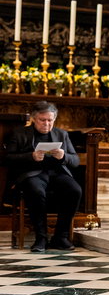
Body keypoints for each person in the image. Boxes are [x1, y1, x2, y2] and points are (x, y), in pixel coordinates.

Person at [3, 102, 81, 252]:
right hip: (32, 173)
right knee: (35, 190)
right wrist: (30, 156)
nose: (46, 123)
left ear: (54, 119)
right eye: (42, 120)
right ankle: (41, 238)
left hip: (57, 173)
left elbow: (75, 160)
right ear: (34, 119)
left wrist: (64, 156)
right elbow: (7, 158)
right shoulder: (19, 133)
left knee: (75, 190)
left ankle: (60, 237)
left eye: (50, 120)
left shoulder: (62, 134)